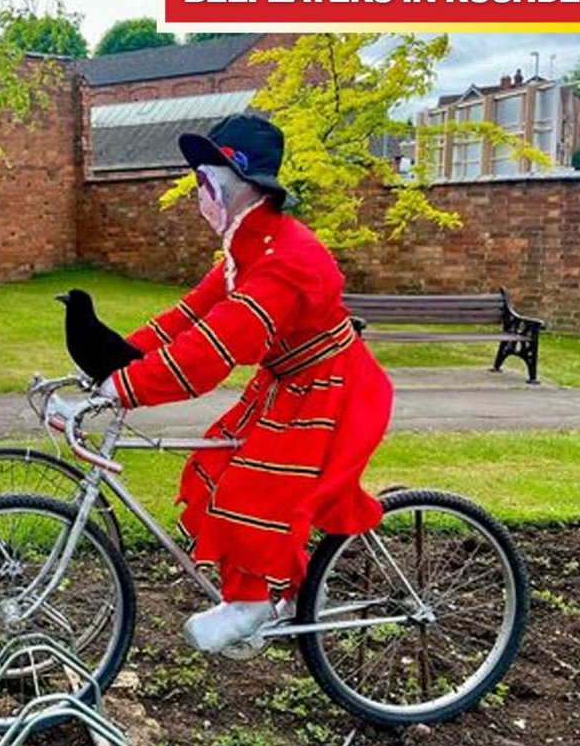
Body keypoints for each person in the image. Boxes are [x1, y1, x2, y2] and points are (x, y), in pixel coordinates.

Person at [99, 114, 394, 652]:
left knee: (254, 489)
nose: (200, 198)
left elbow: (215, 350)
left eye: (204, 185)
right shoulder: (250, 246)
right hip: (291, 382)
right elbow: (188, 316)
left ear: (235, 186)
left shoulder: (284, 258)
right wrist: (108, 359)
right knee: (216, 464)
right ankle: (267, 596)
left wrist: (124, 388)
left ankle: (251, 603)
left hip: (329, 386)